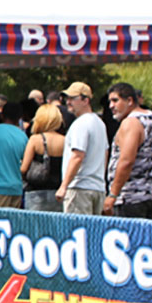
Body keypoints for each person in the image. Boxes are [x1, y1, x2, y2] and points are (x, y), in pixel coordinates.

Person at [105, 84, 152, 219]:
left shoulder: (130, 122)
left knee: (129, 234)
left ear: (130, 100)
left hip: (132, 198)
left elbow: (126, 161)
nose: (111, 106)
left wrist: (113, 194)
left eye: (115, 100)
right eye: (110, 101)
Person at [54, 82, 110, 215]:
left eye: (73, 98)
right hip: (98, 188)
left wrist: (64, 186)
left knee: (76, 227)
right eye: (67, 98)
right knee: (94, 228)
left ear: (86, 100)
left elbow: (77, 156)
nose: (68, 102)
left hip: (79, 188)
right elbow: (105, 154)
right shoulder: (100, 123)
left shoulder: (81, 124)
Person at [19, 103, 67, 214]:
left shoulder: (35, 140)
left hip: (36, 193)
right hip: (58, 192)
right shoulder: (65, 140)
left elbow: (24, 168)